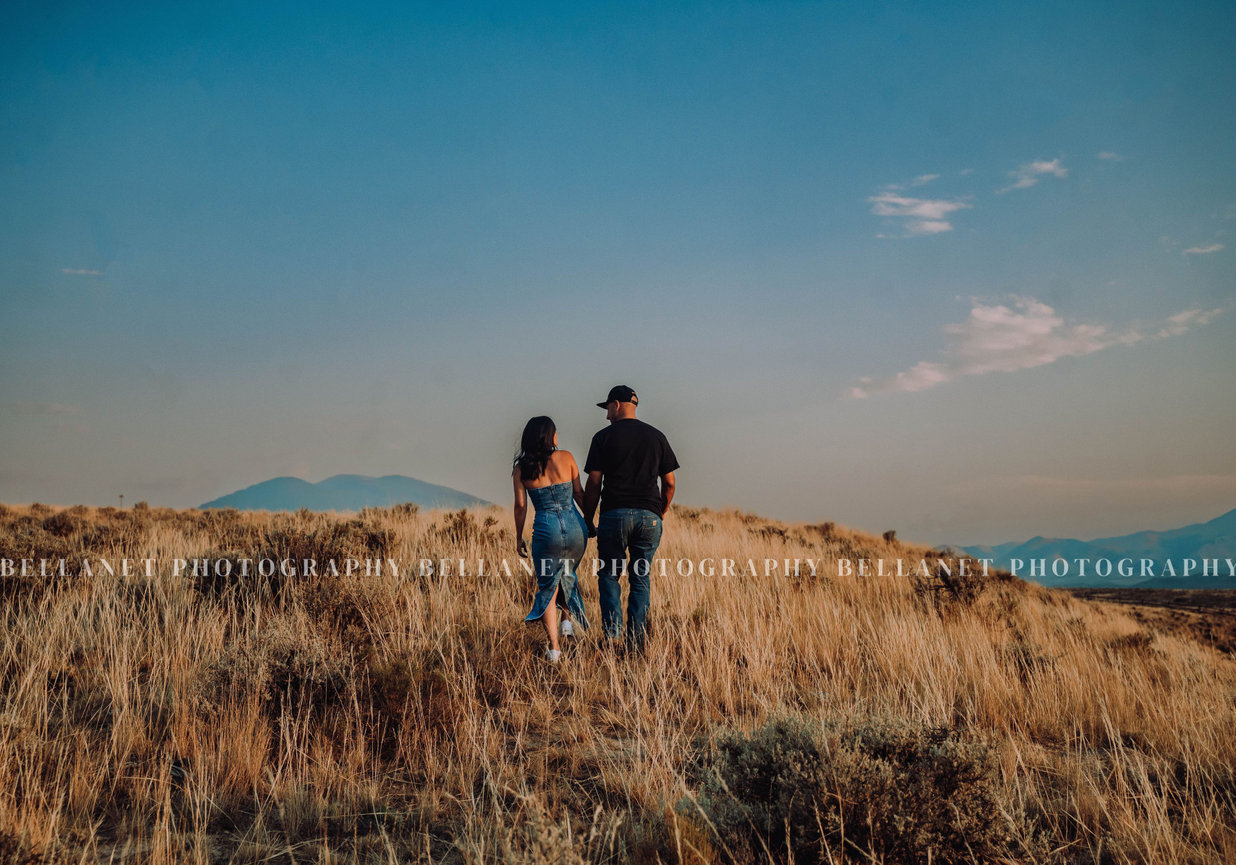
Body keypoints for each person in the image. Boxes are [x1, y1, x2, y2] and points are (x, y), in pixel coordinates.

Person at [582, 385, 678, 654]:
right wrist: (661, 510)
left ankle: (612, 637)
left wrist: (588, 519)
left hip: (614, 515)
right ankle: (636, 643)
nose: (606, 416)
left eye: (607, 409)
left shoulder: (602, 437)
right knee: (640, 579)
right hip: (650, 517)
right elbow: (669, 482)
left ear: (616, 404)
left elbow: (594, 483)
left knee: (610, 576)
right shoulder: (657, 436)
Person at [512, 416, 590, 662]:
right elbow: (579, 494)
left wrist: (518, 537)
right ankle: (567, 621)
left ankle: (554, 649)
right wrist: (589, 521)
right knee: (567, 572)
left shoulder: (521, 468)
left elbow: (520, 506)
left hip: (547, 529)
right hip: (575, 527)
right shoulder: (566, 457)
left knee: (548, 586)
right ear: (549, 436)